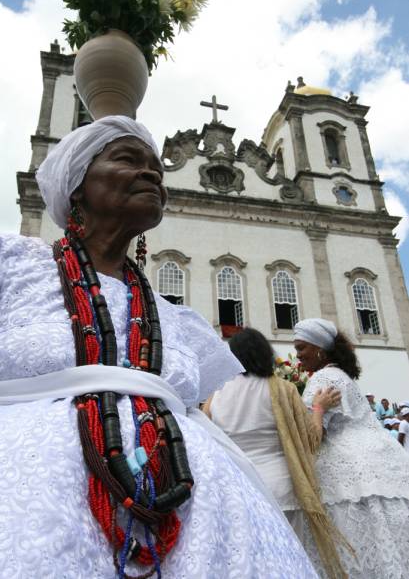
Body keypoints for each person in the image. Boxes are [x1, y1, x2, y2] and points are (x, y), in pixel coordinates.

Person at [0, 116, 317, 579]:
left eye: (156, 167)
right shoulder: (17, 268)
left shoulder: (173, 318)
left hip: (197, 517)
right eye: (128, 159)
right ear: (76, 188)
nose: (151, 174)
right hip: (31, 499)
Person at [206, 327, 349, 579]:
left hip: (237, 489)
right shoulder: (283, 389)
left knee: (250, 564)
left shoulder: (215, 394)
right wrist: (319, 408)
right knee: (289, 561)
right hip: (281, 488)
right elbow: (311, 440)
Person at [294, 318, 409, 578]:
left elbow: (313, 437)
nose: (298, 355)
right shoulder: (342, 376)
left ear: (319, 348)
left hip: (346, 471)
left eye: (302, 348)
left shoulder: (322, 378)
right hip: (380, 462)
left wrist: (313, 409)